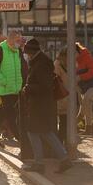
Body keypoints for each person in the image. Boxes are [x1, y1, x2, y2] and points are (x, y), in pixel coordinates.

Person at [21, 39, 72, 174]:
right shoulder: (40, 61)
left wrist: (28, 88)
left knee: (34, 132)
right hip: (42, 104)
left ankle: (39, 163)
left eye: (27, 52)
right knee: (45, 132)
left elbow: (45, 85)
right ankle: (64, 158)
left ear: (32, 52)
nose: (26, 55)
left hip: (40, 104)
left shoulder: (41, 63)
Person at [0, 30, 25, 148]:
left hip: (15, 89)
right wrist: (5, 81)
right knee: (9, 115)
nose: (20, 43)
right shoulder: (0, 50)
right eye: (18, 40)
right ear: (11, 39)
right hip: (5, 90)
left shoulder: (17, 51)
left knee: (4, 114)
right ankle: (21, 140)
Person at [76, 42, 93, 135]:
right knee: (83, 108)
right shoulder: (73, 61)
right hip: (82, 88)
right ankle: (74, 126)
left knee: (86, 100)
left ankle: (88, 129)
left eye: (74, 53)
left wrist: (80, 77)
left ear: (78, 51)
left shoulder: (87, 58)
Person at [54, 49, 70, 145]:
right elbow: (56, 80)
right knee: (63, 120)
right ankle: (60, 142)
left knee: (65, 121)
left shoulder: (70, 64)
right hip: (61, 96)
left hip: (68, 96)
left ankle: (62, 141)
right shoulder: (57, 64)